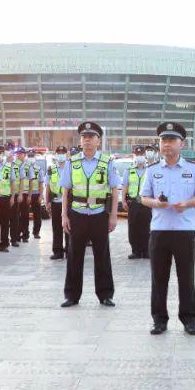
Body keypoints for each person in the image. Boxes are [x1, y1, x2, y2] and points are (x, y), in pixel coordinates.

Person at [140, 122, 195, 335]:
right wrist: (156, 203)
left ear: (182, 143)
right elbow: (143, 198)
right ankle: (159, 320)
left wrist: (187, 204)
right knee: (159, 278)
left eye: (171, 140)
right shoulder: (152, 171)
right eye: (163, 141)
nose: (166, 145)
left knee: (186, 277)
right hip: (159, 230)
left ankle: (189, 319)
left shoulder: (192, 170)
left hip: (184, 231)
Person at [60, 121, 120, 307]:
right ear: (80, 140)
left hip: (99, 214)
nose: (87, 141)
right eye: (84, 137)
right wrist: (64, 215)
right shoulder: (72, 162)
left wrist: (113, 215)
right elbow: (65, 191)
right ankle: (71, 295)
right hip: (77, 213)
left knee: (102, 255)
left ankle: (105, 294)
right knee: (74, 255)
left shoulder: (107, 162)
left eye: (91, 137)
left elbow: (115, 190)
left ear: (98, 141)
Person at [124, 145, 150, 259]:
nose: (139, 156)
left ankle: (146, 251)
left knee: (146, 226)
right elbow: (125, 185)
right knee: (133, 226)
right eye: (137, 154)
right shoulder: (129, 170)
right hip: (133, 203)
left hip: (146, 202)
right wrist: (124, 201)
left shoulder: (149, 169)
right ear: (134, 155)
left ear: (145, 155)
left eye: (141, 154)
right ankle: (135, 250)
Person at [45, 147, 68, 259]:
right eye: (58, 153)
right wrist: (47, 201)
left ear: (66, 154)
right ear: (55, 155)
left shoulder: (71, 168)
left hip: (68, 203)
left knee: (69, 227)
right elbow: (48, 187)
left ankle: (69, 251)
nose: (61, 155)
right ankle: (57, 251)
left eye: (63, 153)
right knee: (56, 227)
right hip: (55, 202)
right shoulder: (51, 169)